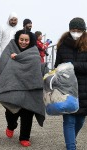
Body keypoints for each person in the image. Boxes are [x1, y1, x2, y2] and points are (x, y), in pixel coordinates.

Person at [0, 30, 45, 147]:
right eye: (21, 39)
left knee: (28, 112)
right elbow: (3, 66)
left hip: (30, 87)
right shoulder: (10, 48)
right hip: (12, 86)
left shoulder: (34, 52)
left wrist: (19, 57)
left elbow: (36, 69)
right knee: (11, 111)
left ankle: (24, 137)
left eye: (26, 40)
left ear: (30, 41)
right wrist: (15, 59)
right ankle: (11, 125)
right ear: (17, 39)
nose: (23, 42)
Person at [54, 17, 87, 150]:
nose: (75, 32)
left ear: (83, 31)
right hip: (67, 88)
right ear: (69, 30)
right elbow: (57, 66)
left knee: (80, 120)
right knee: (69, 120)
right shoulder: (62, 45)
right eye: (73, 30)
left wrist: (73, 65)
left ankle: (72, 140)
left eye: (78, 30)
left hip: (84, 87)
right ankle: (71, 146)